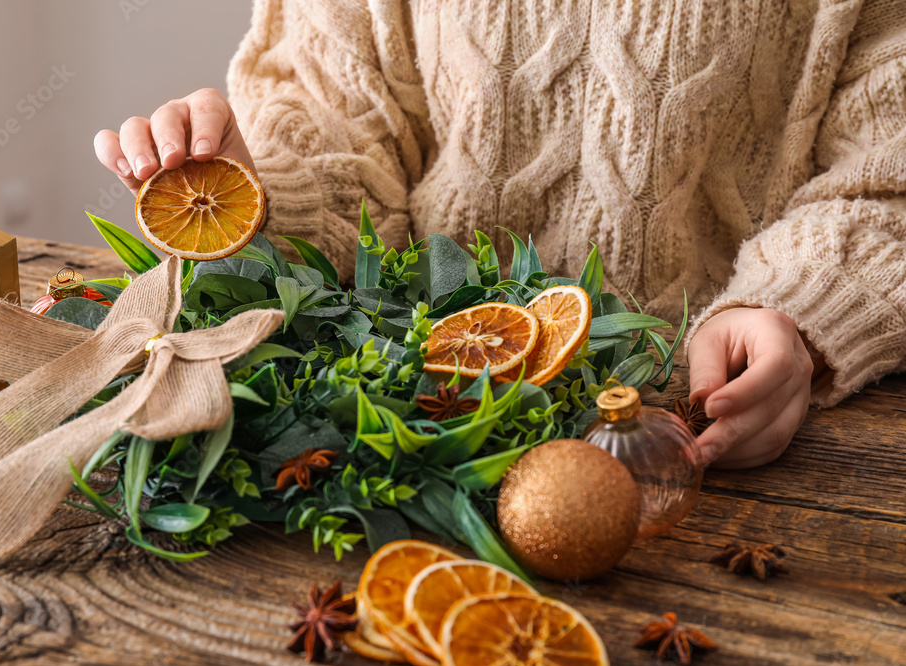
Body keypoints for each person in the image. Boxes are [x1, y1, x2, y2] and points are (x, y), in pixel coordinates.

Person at [94, 0, 906, 469]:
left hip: (700, 439)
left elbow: (888, 166)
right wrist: (263, 190)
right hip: (406, 421)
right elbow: (335, 119)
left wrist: (796, 310)